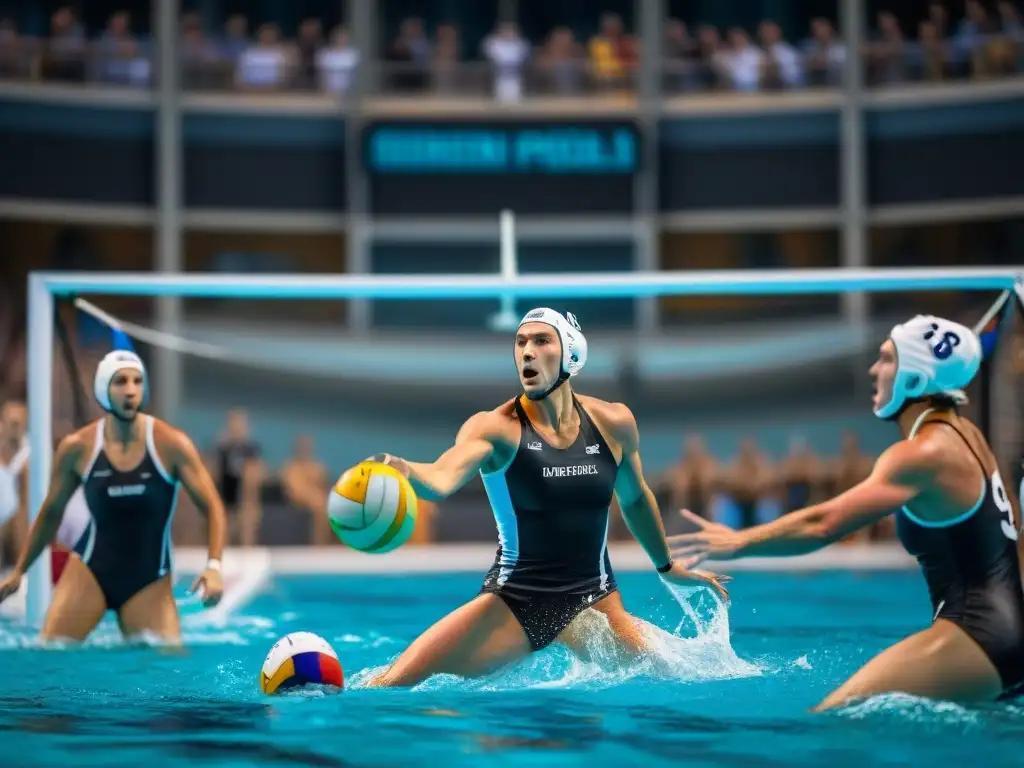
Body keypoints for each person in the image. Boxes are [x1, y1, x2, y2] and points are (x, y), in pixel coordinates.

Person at [668, 314, 1024, 710]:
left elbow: (824, 523)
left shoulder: (921, 454)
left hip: (978, 634)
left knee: (833, 717)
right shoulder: (967, 434)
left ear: (915, 377)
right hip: (1006, 629)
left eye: (888, 359)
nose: (875, 369)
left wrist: (739, 541)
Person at [363, 307, 731, 688]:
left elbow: (635, 498)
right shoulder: (495, 429)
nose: (527, 351)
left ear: (572, 354)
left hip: (595, 602)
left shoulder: (613, 423)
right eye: (521, 342)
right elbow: (440, 477)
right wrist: (400, 467)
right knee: (388, 687)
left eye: (541, 341)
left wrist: (668, 568)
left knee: (684, 679)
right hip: (516, 602)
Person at [0, 347, 228, 643]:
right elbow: (51, 512)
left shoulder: (170, 444)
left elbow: (212, 506)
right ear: (103, 389)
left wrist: (214, 567)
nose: (131, 390)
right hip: (91, 572)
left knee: (166, 673)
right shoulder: (78, 447)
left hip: (149, 579)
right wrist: (19, 571)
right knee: (51, 654)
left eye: (137, 381)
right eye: (121, 382)